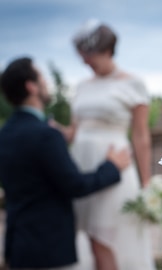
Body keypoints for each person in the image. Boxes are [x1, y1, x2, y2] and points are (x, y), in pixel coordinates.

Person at [0, 57, 131, 269]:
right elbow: (75, 185)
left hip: (18, 247)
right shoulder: (46, 135)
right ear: (31, 86)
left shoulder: (5, 134)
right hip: (48, 250)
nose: (46, 82)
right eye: (41, 77)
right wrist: (112, 167)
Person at [54, 20, 155, 270]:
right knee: (88, 235)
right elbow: (75, 132)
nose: (85, 61)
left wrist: (146, 182)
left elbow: (140, 136)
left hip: (115, 166)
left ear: (107, 50)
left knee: (105, 237)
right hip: (83, 166)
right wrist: (53, 132)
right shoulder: (81, 86)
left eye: (89, 55)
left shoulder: (133, 83)